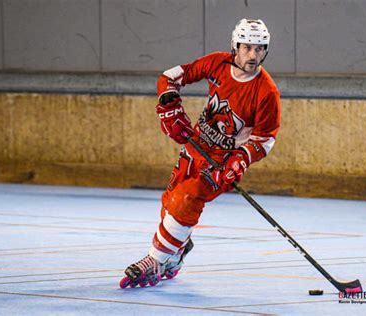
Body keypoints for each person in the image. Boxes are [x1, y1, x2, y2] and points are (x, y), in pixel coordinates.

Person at [120, 18, 281, 288]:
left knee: (187, 199)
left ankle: (154, 260)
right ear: (235, 46)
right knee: (170, 205)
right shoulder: (217, 63)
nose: (253, 55)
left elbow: (265, 140)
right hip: (194, 149)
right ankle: (177, 253)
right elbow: (170, 77)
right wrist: (168, 103)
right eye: (247, 47)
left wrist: (240, 160)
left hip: (220, 165)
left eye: (260, 48)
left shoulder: (266, 92)